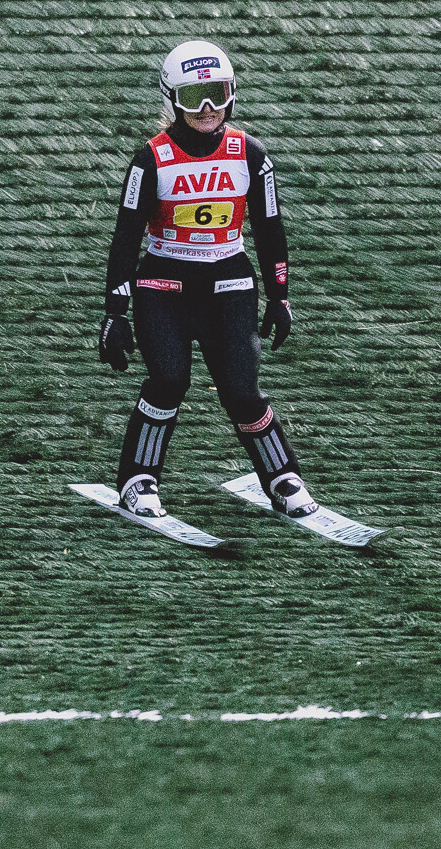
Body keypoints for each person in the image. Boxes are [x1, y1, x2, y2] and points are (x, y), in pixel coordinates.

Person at [97, 40, 318, 523]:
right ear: (172, 97)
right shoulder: (151, 159)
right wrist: (115, 312)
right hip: (164, 287)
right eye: (194, 96)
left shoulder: (251, 154)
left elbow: (270, 229)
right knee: (168, 381)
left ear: (232, 93)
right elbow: (125, 237)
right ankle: (138, 480)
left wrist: (280, 297)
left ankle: (283, 477)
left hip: (229, 285)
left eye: (216, 94)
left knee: (242, 391)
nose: (206, 109)